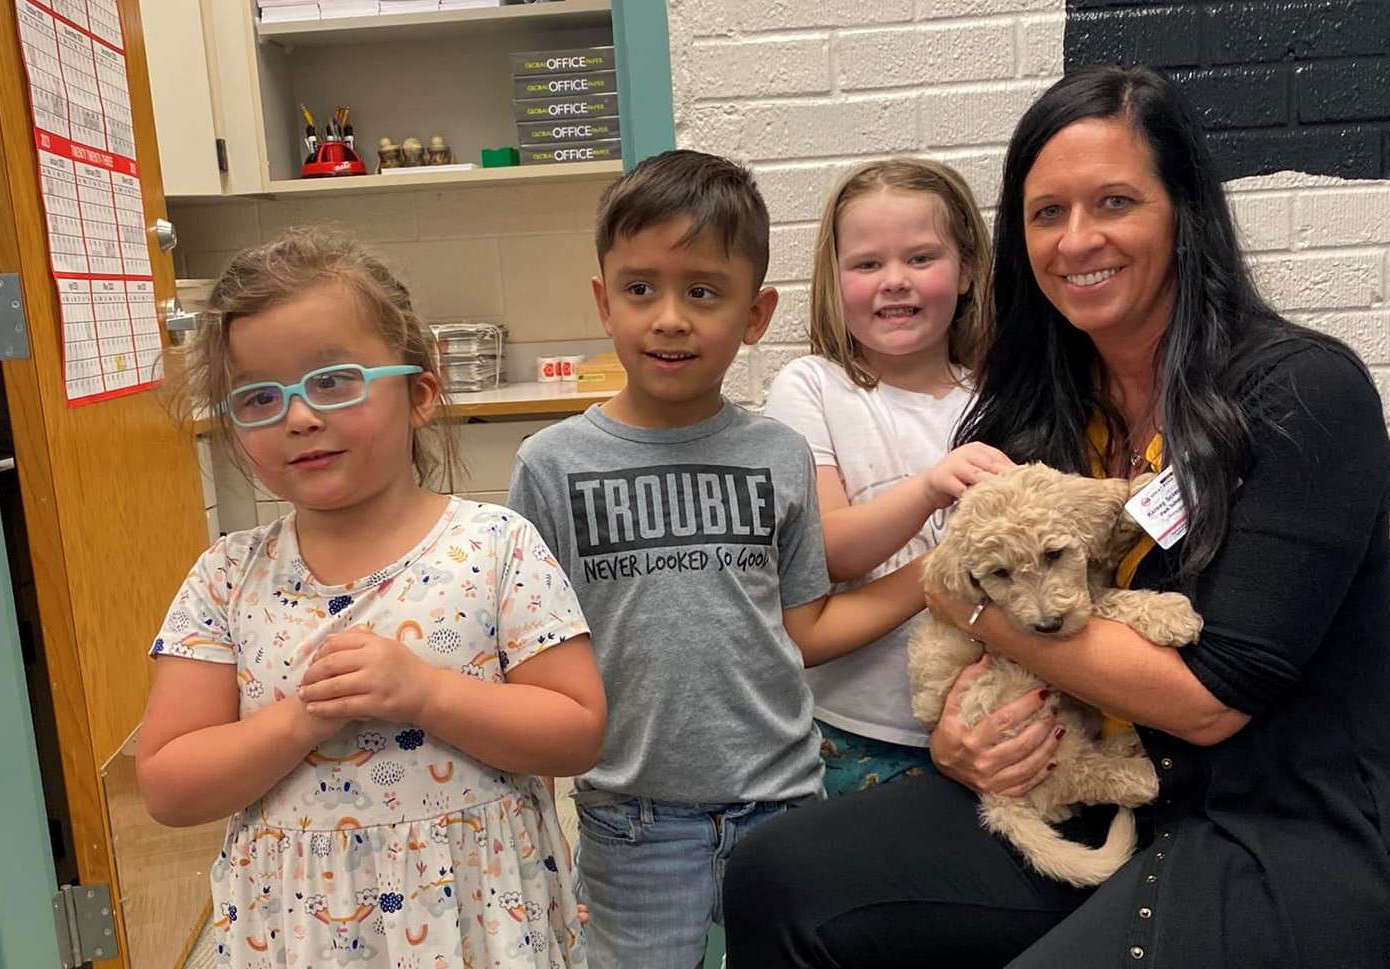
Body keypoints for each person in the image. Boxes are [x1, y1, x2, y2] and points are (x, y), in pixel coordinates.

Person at [724, 64, 1390, 969]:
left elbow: (1209, 702)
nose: (1077, 239)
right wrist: (955, 742)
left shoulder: (1302, 394)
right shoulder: (1034, 408)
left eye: (1114, 201)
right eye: (1046, 212)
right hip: (1096, 782)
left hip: (1282, 825)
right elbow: (965, 614)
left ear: (1185, 212)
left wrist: (967, 606)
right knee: (774, 875)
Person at [507, 149, 930, 969]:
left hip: (783, 806)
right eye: (641, 289)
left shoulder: (779, 455)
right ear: (603, 300)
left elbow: (803, 625)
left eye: (703, 291)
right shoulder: (550, 465)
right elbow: (525, 661)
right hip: (631, 820)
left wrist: (929, 580)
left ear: (756, 312)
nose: (670, 318)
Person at [137, 230, 605, 969]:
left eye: (334, 380)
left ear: (418, 393)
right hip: (298, 936)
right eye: (261, 396)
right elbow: (167, 782)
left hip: (479, 925)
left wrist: (424, 693)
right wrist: (302, 718)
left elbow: (577, 730)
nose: (299, 416)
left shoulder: (495, 546)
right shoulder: (227, 577)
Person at [764, 158, 1013, 796]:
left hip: (993, 721)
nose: (894, 282)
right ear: (834, 277)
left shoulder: (1003, 394)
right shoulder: (812, 387)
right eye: (868, 264)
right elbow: (822, 550)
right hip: (853, 732)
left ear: (967, 273)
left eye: (922, 258)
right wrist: (932, 489)